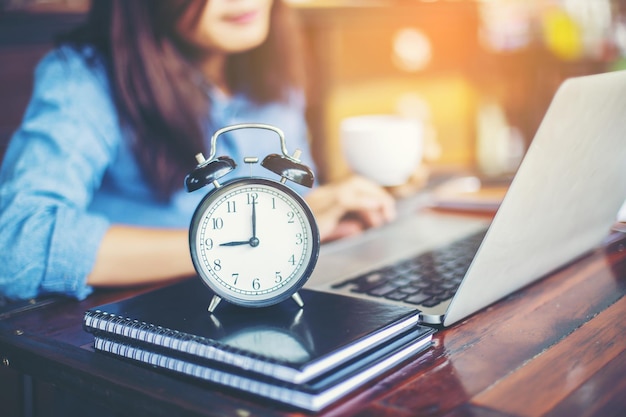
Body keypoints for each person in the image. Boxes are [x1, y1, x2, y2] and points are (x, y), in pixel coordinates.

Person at [0, 0, 396, 301]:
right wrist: (232, 252)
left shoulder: (272, 69)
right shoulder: (82, 79)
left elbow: (294, 208)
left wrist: (329, 221)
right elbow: (18, 246)